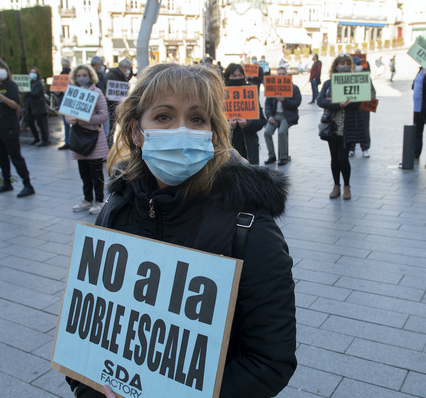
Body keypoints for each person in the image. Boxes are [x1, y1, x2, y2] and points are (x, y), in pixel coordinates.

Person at [65, 62, 296, 398]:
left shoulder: (248, 225)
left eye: (197, 119)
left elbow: (269, 361)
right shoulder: (116, 212)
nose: (182, 130)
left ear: (213, 132)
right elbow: (85, 342)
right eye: (163, 117)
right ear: (135, 131)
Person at [0, 59, 35, 198]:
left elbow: (16, 105)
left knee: (15, 155)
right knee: (0, 156)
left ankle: (27, 184)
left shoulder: (11, 85)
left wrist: (1, 97)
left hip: (9, 126)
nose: (0, 70)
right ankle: (7, 181)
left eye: (2, 67)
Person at [317, 55, 367, 200]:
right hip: (332, 126)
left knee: (343, 158)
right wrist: (337, 104)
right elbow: (320, 101)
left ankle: (347, 186)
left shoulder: (355, 82)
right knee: (334, 158)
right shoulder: (328, 83)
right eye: (341, 64)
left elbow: (360, 102)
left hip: (348, 126)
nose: (344, 66)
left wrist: (347, 104)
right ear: (336, 66)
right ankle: (336, 185)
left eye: (347, 64)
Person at [65, 64, 109, 215]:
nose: (81, 78)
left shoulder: (97, 93)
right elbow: (68, 113)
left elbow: (103, 116)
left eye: (84, 74)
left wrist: (83, 118)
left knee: (96, 173)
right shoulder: (73, 93)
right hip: (79, 138)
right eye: (78, 75)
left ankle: (100, 201)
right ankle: (87, 199)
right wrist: (70, 119)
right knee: (83, 172)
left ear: (90, 76)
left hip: (94, 139)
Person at [224, 63, 266, 165]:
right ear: (227, 77)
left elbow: (261, 120)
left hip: (249, 144)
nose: (237, 78)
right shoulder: (221, 95)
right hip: (228, 147)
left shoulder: (250, 93)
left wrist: (248, 124)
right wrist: (227, 126)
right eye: (234, 76)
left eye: (240, 75)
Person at [264, 66, 301, 166]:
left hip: (287, 116)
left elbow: (297, 103)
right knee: (267, 132)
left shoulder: (293, 88)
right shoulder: (272, 88)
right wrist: (269, 116)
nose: (281, 76)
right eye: (279, 74)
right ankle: (272, 156)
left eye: (283, 74)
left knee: (282, 132)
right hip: (275, 115)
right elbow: (267, 104)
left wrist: (285, 100)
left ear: (287, 75)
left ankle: (283, 157)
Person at [105, 58, 132, 148]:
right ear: (124, 67)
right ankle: (110, 147)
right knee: (111, 128)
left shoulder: (122, 75)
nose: (130, 69)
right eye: (129, 68)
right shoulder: (112, 75)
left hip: (120, 104)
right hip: (112, 105)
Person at [23, 66, 50, 146]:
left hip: (38, 107)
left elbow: (36, 94)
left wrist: (27, 92)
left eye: (34, 72)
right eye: (31, 72)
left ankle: (45, 140)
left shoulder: (39, 83)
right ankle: (36, 138)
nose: (32, 74)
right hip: (30, 107)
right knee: (30, 123)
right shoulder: (29, 83)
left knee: (41, 124)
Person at [58, 57, 73, 150]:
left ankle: (72, 141)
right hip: (63, 102)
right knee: (65, 122)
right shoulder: (60, 75)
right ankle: (67, 141)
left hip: (71, 102)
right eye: (63, 65)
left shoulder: (73, 75)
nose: (64, 67)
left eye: (66, 65)